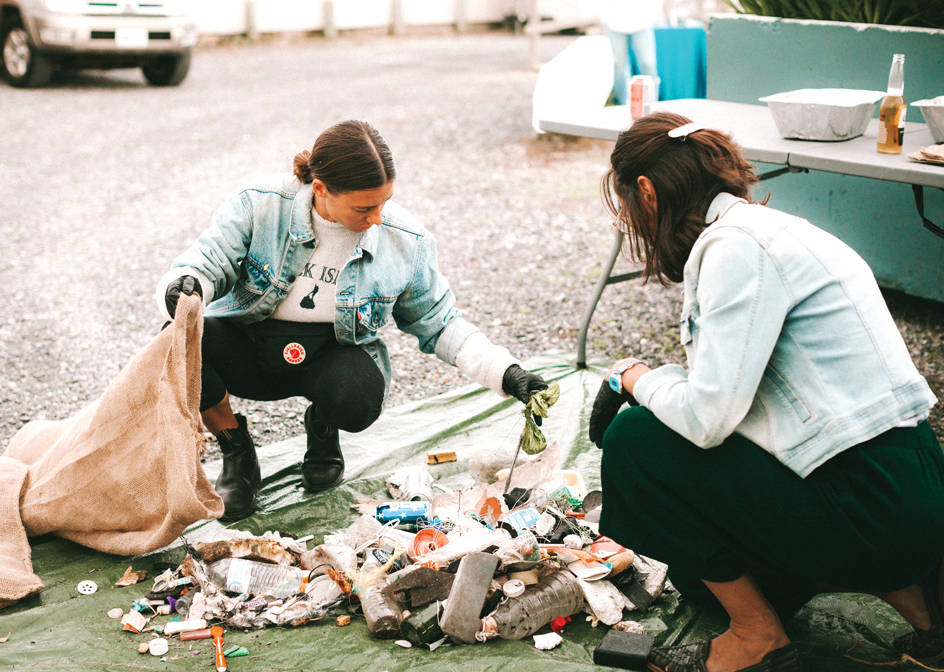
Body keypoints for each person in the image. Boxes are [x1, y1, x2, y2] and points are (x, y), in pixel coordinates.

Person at [588, 111, 943, 672]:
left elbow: (708, 418)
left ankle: (757, 636)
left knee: (635, 437)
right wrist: (657, 382)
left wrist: (635, 378)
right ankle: (924, 611)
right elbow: (739, 397)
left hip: (870, 507)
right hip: (910, 490)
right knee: (698, 578)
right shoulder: (780, 231)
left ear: (649, 193)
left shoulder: (737, 249)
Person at [156, 120, 548, 522]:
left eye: (384, 203)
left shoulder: (406, 241)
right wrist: (184, 286)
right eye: (364, 208)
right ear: (320, 188)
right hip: (249, 347)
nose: (378, 218)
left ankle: (323, 427)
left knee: (358, 399)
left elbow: (439, 321)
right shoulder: (259, 204)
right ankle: (236, 449)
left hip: (328, 355)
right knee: (179, 340)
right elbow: (205, 263)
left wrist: (507, 372)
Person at [599, 0, 663, 106]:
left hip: (643, 23)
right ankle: (624, 105)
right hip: (615, 24)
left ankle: (651, 104)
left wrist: (653, 15)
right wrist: (605, 17)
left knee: (648, 64)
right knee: (619, 68)